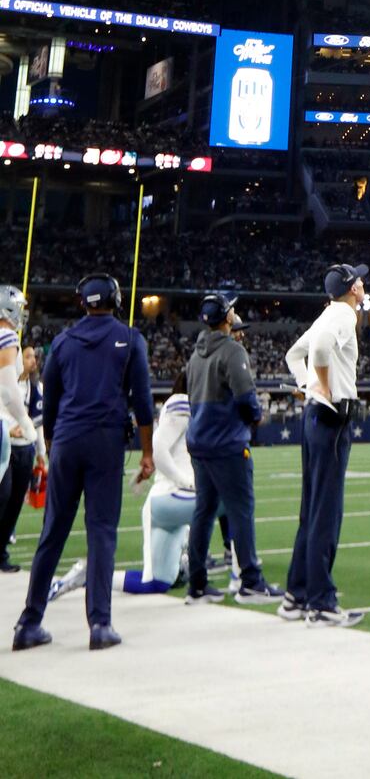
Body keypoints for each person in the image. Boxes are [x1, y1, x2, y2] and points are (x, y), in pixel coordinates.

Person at [13, 274, 154, 652]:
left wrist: (53, 443)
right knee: (102, 530)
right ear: (115, 299)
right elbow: (142, 402)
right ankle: (100, 624)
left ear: (83, 302)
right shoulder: (130, 340)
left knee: (53, 531)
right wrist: (147, 453)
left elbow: (51, 402)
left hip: (67, 441)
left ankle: (29, 622)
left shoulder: (62, 342)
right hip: (105, 440)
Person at [51, 369, 195, 604]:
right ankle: (242, 577)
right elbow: (159, 449)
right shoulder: (181, 403)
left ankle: (88, 576)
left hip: (175, 500)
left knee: (157, 583)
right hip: (168, 498)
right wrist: (185, 481)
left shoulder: (193, 407)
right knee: (227, 501)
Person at [281, 261, 370, 626]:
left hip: (316, 417)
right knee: (326, 513)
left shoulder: (329, 313)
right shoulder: (343, 316)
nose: (364, 284)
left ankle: (296, 595)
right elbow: (316, 350)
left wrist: (309, 387)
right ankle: (320, 602)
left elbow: (292, 355)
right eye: (360, 280)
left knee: (312, 510)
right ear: (352, 288)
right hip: (332, 419)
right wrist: (325, 387)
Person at [185, 290, 282, 606]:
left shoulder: (195, 354)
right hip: (226, 443)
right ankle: (251, 581)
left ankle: (197, 584)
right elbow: (245, 398)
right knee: (241, 510)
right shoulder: (231, 351)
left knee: (204, 512)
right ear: (227, 317)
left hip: (199, 442)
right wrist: (256, 417)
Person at [0, 322, 44, 571]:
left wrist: (41, 453)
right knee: (2, 497)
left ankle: (1, 552)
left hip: (24, 446)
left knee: (15, 501)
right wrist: (8, 428)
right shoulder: (5, 379)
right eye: (24, 355)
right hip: (5, 441)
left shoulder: (36, 387)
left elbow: (38, 424)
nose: (29, 360)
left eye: (30, 357)